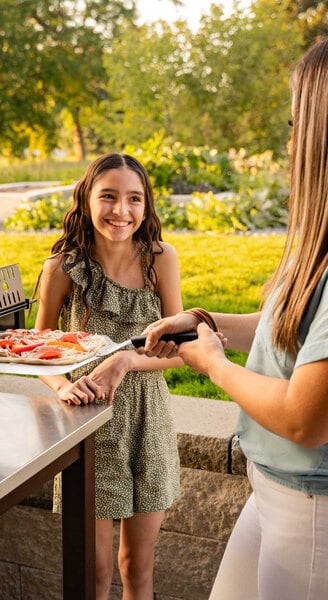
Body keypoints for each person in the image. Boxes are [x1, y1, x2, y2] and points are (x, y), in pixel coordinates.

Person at [141, 38, 328, 600]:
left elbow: (305, 419)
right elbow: (287, 331)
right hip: (272, 489)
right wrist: (201, 319)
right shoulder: (316, 245)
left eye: (297, 124)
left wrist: (213, 364)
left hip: (312, 511)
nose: (289, 141)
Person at [34, 152, 184, 600]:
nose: (122, 211)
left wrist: (129, 361)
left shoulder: (161, 259)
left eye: (134, 199)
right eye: (109, 197)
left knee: (137, 567)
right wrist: (63, 385)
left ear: (146, 205)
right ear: (86, 200)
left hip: (147, 422)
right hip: (89, 425)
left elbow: (181, 349)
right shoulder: (61, 268)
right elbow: (40, 346)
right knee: (93, 571)